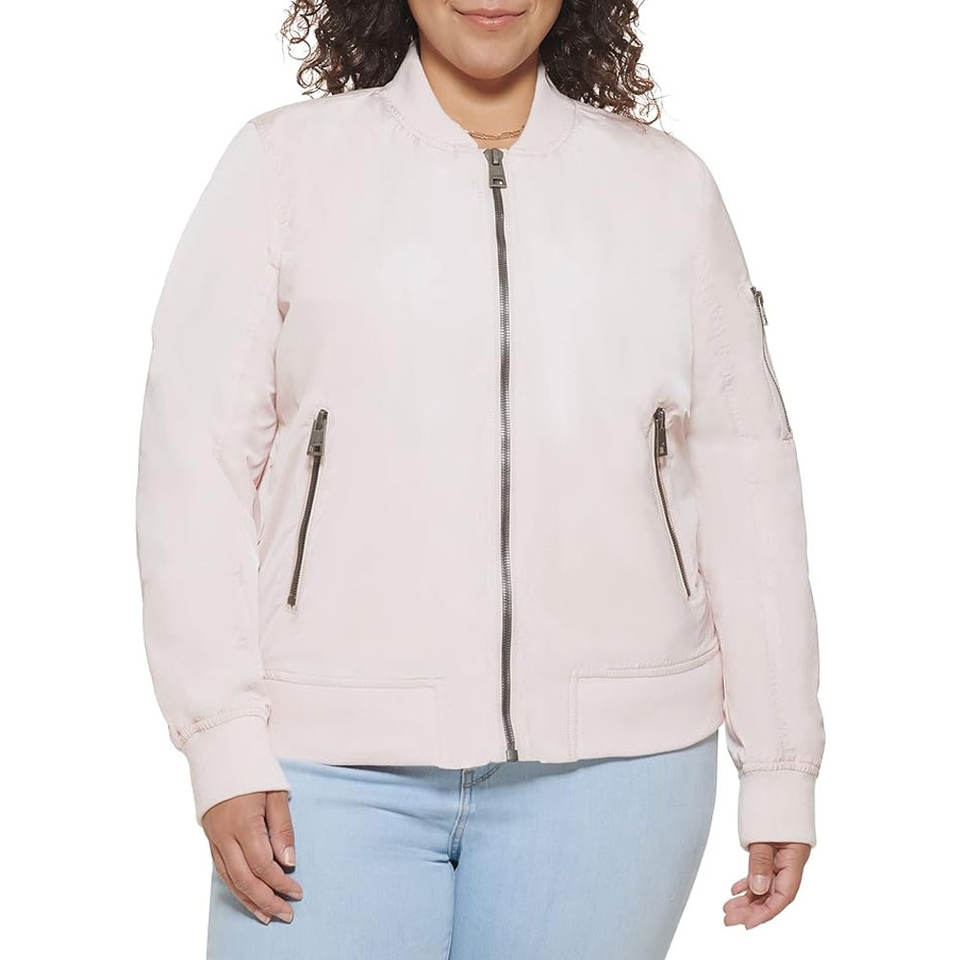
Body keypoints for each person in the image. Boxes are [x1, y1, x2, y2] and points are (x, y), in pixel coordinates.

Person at [135, 2, 825, 957]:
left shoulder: (669, 190)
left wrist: (781, 762)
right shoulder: (283, 169)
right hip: (322, 765)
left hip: (618, 773)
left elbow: (749, 475)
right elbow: (194, 463)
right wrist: (220, 737)